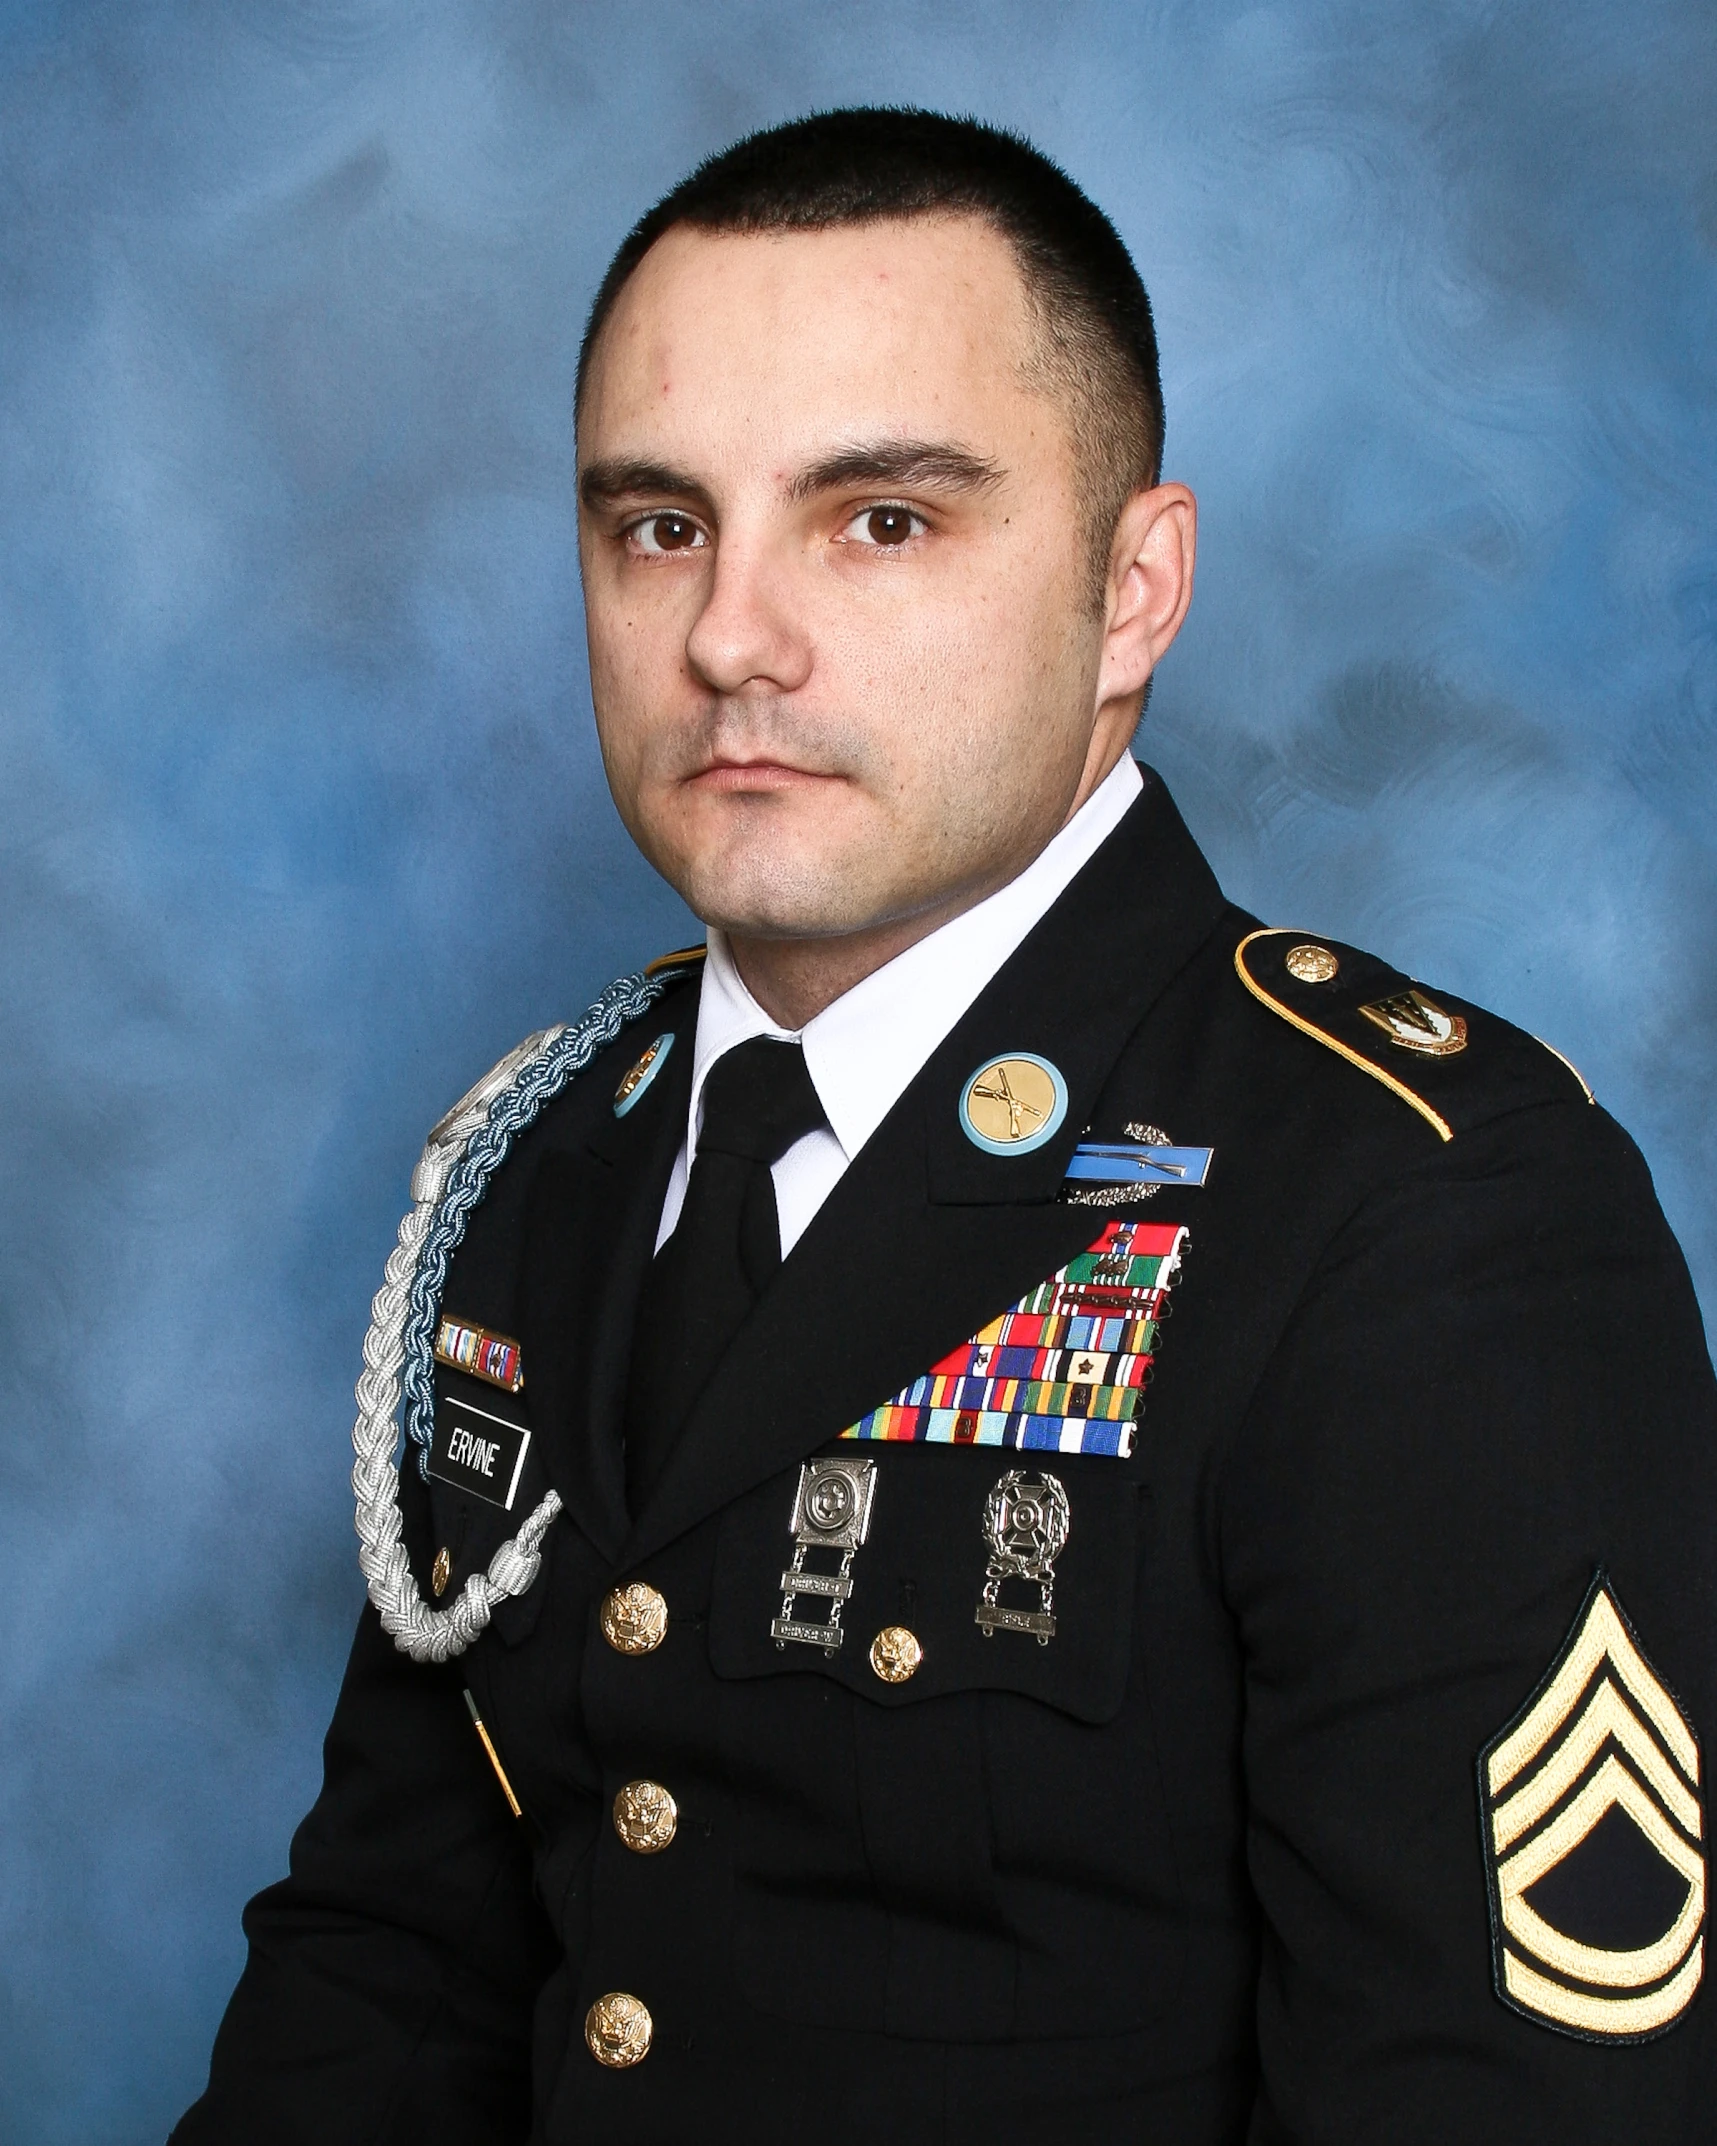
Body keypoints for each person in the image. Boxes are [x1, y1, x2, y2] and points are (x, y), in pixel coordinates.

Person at [174, 109, 1716, 2145]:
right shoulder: (548, 1162)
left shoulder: (1417, 1218)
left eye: (878, 519)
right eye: (658, 525)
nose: (731, 635)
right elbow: (390, 1964)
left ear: (1134, 586)